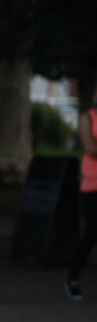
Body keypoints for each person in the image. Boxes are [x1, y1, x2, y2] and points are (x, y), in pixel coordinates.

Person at [66, 96, 97, 301]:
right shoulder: (88, 117)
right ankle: (73, 277)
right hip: (92, 183)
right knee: (92, 231)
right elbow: (91, 148)